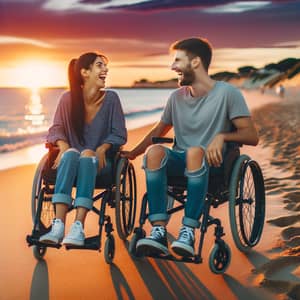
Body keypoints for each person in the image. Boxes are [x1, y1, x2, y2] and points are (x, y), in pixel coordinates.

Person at [122, 37, 259, 257]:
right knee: (155, 152)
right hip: (181, 162)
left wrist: (222, 137)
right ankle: (158, 230)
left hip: (214, 165)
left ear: (195, 62)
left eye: (178, 60)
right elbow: (158, 132)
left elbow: (252, 135)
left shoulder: (227, 94)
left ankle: (188, 230)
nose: (172, 66)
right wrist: (133, 153)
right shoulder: (176, 98)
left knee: (195, 151)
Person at [39, 52, 127, 246]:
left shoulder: (111, 99)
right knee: (71, 153)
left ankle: (78, 226)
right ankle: (58, 226)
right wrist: (63, 146)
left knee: (87, 155)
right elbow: (56, 128)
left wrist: (102, 148)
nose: (106, 70)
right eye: (99, 66)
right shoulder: (67, 99)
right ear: (85, 72)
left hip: (100, 164)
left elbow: (119, 133)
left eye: (105, 66)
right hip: (69, 161)